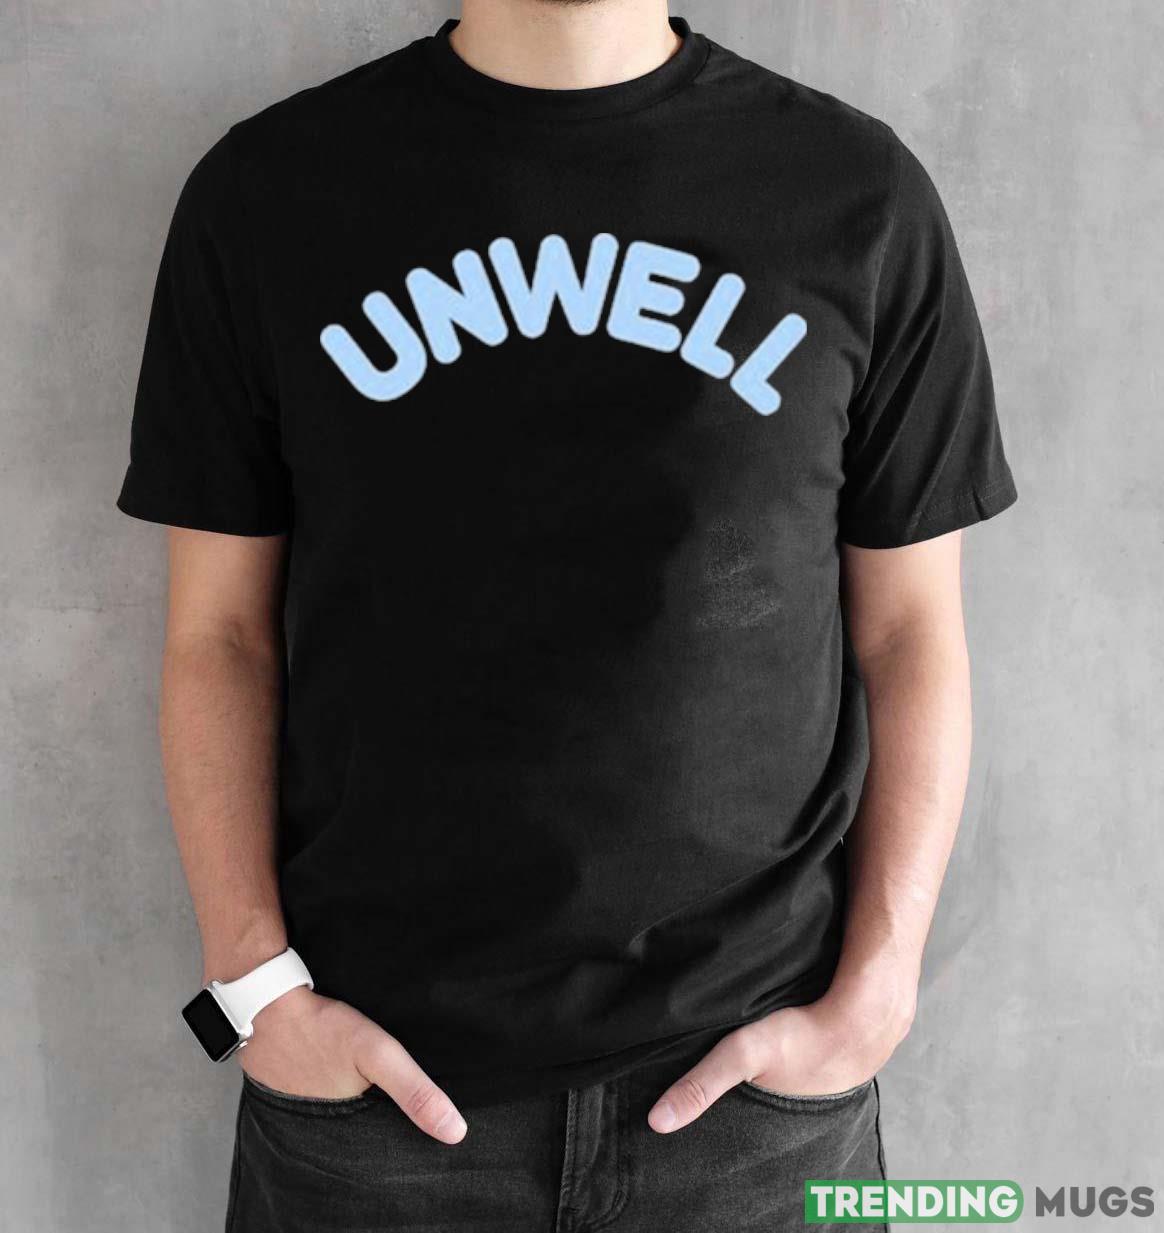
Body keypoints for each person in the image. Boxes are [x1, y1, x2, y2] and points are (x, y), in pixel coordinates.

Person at [117, 1, 1016, 1228]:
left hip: (751, 1109)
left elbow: (910, 636)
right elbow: (218, 637)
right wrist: (252, 991)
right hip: (374, 1103)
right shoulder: (270, 192)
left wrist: (881, 989)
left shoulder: (854, 193)